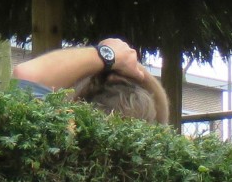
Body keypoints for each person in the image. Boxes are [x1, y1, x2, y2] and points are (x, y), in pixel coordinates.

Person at [12, 37, 172, 126]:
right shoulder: (151, 164)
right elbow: (161, 116)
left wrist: (110, 56)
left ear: (76, 105)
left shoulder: (57, 142)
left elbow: (27, 74)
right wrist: (137, 71)